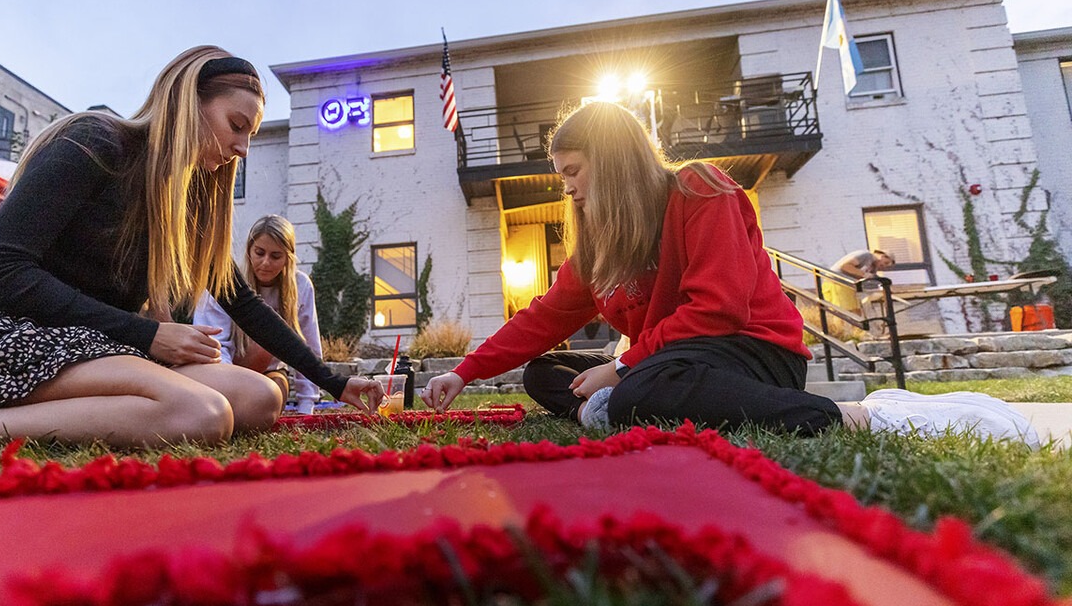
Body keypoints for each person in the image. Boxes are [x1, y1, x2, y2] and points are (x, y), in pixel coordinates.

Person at [421, 101, 1037, 448]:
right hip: (674, 361)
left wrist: (623, 365)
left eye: (575, 170)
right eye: (563, 174)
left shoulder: (699, 190)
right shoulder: (600, 245)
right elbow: (542, 320)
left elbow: (717, 309)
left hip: (752, 350)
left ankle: (847, 416)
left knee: (637, 389)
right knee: (545, 373)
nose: (568, 186)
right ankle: (614, 406)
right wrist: (462, 371)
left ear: (612, 163)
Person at [0, 46, 382, 446]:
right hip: (3, 333)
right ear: (189, 103)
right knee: (200, 413)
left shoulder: (189, 200)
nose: (242, 148)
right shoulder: (96, 143)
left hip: (93, 343)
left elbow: (240, 301)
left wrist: (333, 381)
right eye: (236, 126)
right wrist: (147, 335)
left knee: (260, 399)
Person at [193, 215, 323, 414]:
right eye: (259, 253)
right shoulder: (226, 283)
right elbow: (215, 345)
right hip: (226, 369)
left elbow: (310, 346)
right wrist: (230, 387)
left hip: (271, 371)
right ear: (248, 251)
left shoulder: (301, 286)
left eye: (276, 256)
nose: (265, 263)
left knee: (272, 397)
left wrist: (307, 405)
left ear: (288, 257)